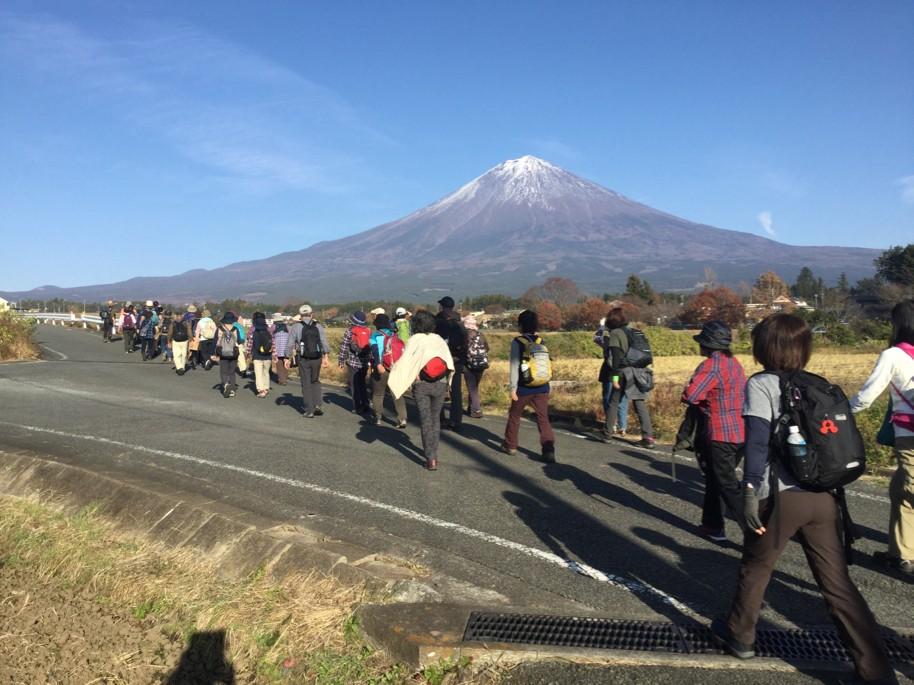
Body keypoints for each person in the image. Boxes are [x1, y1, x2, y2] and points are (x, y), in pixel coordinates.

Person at [713, 314, 897, 685]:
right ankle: (876, 671)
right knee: (837, 584)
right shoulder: (819, 385)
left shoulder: (761, 384)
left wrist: (749, 489)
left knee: (757, 567)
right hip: (823, 497)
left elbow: (758, 442)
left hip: (781, 499)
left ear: (764, 347)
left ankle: (741, 636)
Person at [851, 299, 914, 576]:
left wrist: (839, 411)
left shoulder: (893, 355)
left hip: (909, 435)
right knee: (899, 490)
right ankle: (900, 552)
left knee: (910, 490)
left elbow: (865, 397)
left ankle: (904, 554)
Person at [679, 321, 747, 542]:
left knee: (726, 484)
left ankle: (755, 531)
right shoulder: (734, 363)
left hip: (720, 433)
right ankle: (712, 526)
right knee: (715, 481)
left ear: (707, 345)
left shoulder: (711, 366)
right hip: (741, 431)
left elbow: (691, 395)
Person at [389, 310, 455, 471]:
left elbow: (406, 361)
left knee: (425, 420)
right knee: (435, 420)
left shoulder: (414, 340)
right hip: (440, 384)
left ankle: (430, 458)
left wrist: (400, 377)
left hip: (422, 385)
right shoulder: (439, 339)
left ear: (415, 324)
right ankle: (435, 453)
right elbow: (448, 361)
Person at [501, 309, 556, 463]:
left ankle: (510, 445)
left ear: (520, 325)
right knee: (543, 418)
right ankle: (548, 449)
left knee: (514, 415)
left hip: (523, 388)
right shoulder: (541, 341)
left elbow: (514, 366)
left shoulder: (517, 342)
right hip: (542, 386)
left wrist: (513, 388)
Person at [600, 308, 655, 448]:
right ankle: (648, 437)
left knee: (614, 401)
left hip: (624, 372)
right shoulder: (635, 331)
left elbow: (616, 358)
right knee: (639, 403)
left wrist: (615, 378)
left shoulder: (615, 334)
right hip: (639, 371)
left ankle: (607, 433)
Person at [286, 305, 330, 417]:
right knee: (315, 381)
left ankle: (309, 410)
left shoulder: (296, 327)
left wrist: (287, 357)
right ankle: (317, 405)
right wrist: (326, 356)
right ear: (311, 314)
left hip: (303, 358)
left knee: (306, 383)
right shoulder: (318, 326)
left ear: (300, 316)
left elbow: (290, 343)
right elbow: (324, 342)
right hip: (317, 358)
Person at [435, 296, 468, 432]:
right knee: (456, 391)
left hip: (441, 360)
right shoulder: (460, 322)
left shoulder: (438, 321)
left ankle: (440, 419)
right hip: (457, 360)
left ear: (442, 306)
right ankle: (456, 420)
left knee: (439, 389)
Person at [369, 314, 408, 428]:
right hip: (395, 368)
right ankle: (402, 418)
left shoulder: (375, 336)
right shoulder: (394, 334)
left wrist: (378, 364)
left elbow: (375, 350)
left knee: (378, 393)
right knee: (397, 393)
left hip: (381, 367)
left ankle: (378, 418)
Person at [595, 318, 628, 436]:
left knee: (608, 399)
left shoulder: (607, 339)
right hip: (624, 371)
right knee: (622, 399)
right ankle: (622, 426)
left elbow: (596, 338)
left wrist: (601, 327)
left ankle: (611, 424)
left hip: (609, 372)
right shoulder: (625, 338)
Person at [338, 311, 371, 415]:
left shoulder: (350, 331)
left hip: (353, 362)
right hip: (365, 362)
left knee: (354, 385)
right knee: (362, 384)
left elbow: (344, 346)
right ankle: (366, 404)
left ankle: (357, 406)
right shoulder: (368, 330)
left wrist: (341, 360)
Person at [463, 314, 489, 419]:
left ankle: (476, 410)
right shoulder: (481, 335)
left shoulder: (465, 335)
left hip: (468, 365)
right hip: (481, 364)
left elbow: (462, 349)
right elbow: (487, 348)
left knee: (472, 388)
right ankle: (471, 407)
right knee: (474, 387)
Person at [211, 312, 241, 398]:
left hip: (222, 352)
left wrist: (213, 353)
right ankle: (232, 389)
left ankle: (226, 384)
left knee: (223, 371)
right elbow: (239, 341)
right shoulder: (235, 329)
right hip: (234, 353)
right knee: (232, 372)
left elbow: (215, 341)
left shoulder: (219, 329)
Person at [246, 312, 273, 398]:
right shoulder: (268, 329)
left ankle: (261, 390)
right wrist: (274, 355)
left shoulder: (253, 330)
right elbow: (273, 343)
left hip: (257, 355)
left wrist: (248, 353)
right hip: (268, 355)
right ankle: (266, 388)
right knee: (266, 372)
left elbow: (250, 343)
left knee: (258, 373)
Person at [168, 307, 193, 375]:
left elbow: (170, 333)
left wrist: (169, 341)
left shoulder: (173, 323)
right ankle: (182, 367)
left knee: (176, 355)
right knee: (183, 354)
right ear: (182, 315)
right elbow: (189, 331)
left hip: (176, 341)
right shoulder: (186, 323)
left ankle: (179, 368)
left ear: (175, 316)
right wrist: (191, 338)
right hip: (184, 340)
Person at [272, 317, 291, 386]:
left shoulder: (273, 327)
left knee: (279, 365)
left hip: (277, 349)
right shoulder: (287, 327)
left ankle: (281, 380)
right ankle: (285, 377)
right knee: (286, 363)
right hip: (286, 349)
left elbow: (270, 336)